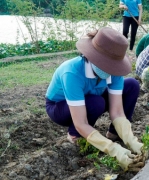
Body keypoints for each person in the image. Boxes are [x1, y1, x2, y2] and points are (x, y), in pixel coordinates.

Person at [45, 27, 143, 171]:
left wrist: (131, 140)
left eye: (113, 65)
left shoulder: (114, 70)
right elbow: (81, 122)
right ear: (92, 56)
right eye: (106, 63)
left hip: (90, 98)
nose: (110, 68)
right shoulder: (72, 72)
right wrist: (112, 150)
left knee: (131, 85)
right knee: (95, 103)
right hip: (59, 107)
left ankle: (115, 134)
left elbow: (117, 111)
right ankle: (74, 136)